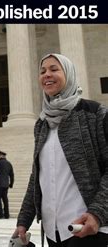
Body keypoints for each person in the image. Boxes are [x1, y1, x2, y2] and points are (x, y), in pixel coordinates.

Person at [14, 53, 108, 246]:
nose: (47, 74)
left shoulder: (94, 113)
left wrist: (97, 213)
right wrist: (23, 221)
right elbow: (37, 177)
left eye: (54, 69)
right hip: (53, 232)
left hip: (87, 229)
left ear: (70, 74)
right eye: (42, 71)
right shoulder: (42, 124)